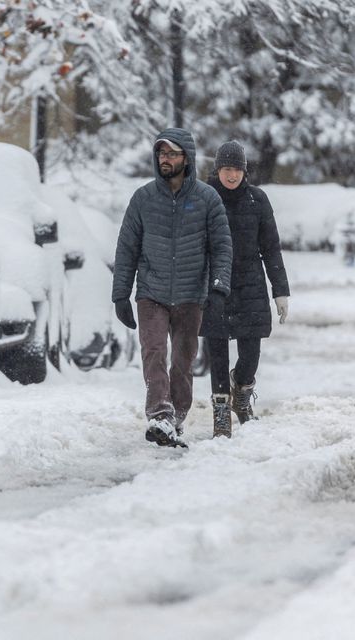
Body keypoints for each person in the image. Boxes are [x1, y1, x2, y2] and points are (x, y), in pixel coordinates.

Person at [112, 128, 233, 448]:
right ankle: (160, 414)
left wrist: (219, 287)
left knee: (182, 361)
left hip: (192, 295)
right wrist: (120, 294)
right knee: (154, 352)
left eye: (172, 154)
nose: (165, 159)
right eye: (161, 154)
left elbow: (222, 247)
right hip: (151, 292)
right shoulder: (143, 198)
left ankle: (176, 416)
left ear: (187, 158)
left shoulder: (207, 199)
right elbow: (127, 248)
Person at [200, 140, 290, 437]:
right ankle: (222, 414)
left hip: (251, 282)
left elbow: (271, 247)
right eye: (227, 169)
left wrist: (280, 290)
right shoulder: (205, 198)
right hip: (216, 283)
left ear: (244, 171)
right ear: (218, 170)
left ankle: (241, 392)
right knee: (217, 349)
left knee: (250, 352)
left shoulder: (258, 200)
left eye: (237, 170)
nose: (232, 175)